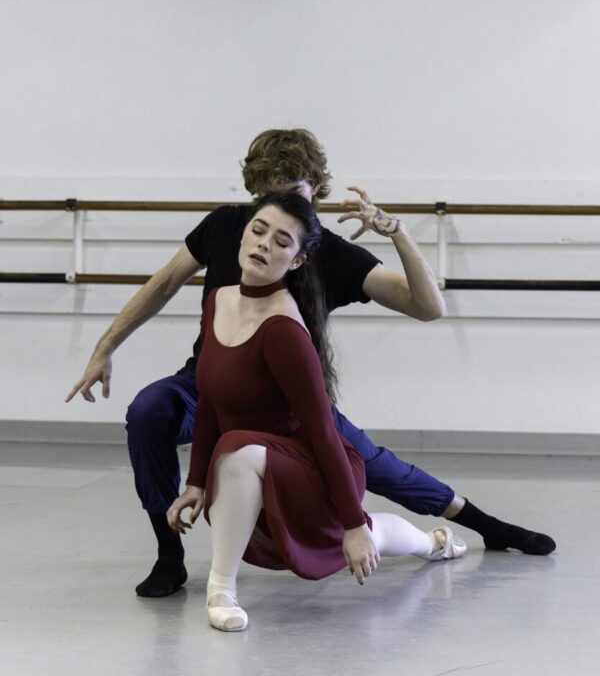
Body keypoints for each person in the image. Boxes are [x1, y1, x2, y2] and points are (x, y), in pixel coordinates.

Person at [66, 128, 555, 599]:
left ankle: (486, 525)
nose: (273, 223)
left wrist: (397, 231)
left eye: (293, 193)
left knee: (377, 467)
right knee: (149, 410)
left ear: (316, 189)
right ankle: (169, 554)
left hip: (291, 402)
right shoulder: (231, 227)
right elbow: (164, 284)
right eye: (267, 197)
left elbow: (428, 306)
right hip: (212, 383)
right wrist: (105, 347)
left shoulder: (331, 255)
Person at [166, 192, 467, 632]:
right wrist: (195, 482)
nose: (264, 244)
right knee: (239, 453)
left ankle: (221, 591)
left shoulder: (284, 330)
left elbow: (324, 430)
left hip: (310, 469)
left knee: (357, 528)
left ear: (297, 261)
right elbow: (212, 397)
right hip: (257, 461)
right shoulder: (218, 300)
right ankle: (433, 541)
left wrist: (352, 523)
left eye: (281, 241)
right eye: (259, 230)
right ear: (243, 235)